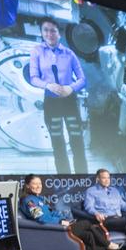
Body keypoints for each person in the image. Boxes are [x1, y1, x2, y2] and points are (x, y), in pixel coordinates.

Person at [29, 18, 88, 175]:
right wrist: (48, 85)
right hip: (51, 102)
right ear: (42, 32)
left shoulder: (69, 54)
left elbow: (83, 79)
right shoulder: (37, 51)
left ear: (59, 33)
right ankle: (64, 177)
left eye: (53, 30)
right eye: (46, 30)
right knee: (58, 142)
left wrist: (71, 88)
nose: (49, 34)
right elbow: (33, 77)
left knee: (77, 141)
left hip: (69, 101)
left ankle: (82, 177)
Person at [19, 174, 109, 250]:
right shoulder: (28, 201)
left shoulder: (40, 199)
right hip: (52, 232)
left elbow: (51, 213)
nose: (38, 186)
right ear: (27, 186)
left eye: (40, 183)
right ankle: (106, 244)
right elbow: (41, 218)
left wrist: (63, 218)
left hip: (57, 228)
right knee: (86, 223)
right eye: (35, 183)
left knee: (88, 235)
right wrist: (60, 222)